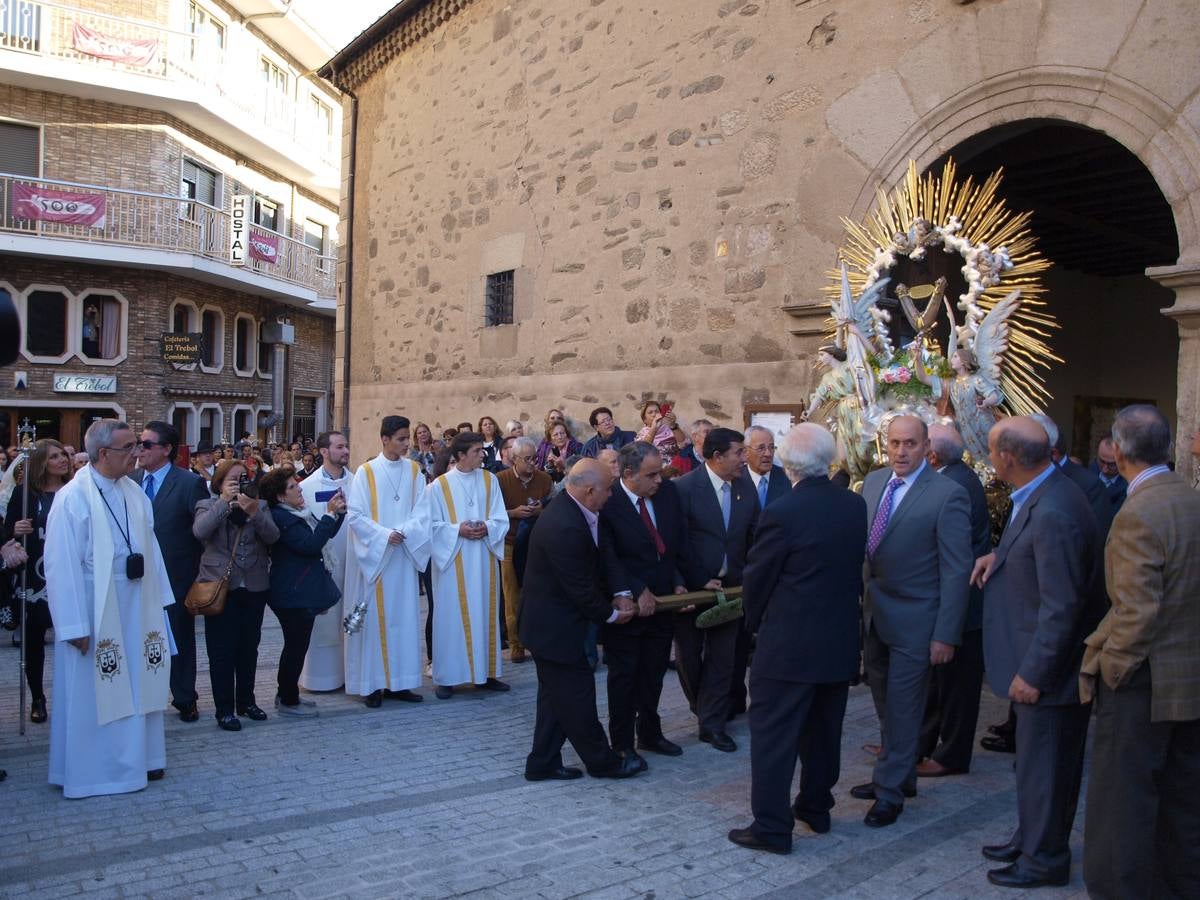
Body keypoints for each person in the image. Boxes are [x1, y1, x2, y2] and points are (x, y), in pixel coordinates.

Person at [972, 416, 1104, 888]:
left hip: (1049, 673)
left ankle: (1044, 859)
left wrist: (1034, 672)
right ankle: (1031, 838)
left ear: (1008, 458)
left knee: (1048, 769)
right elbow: (1034, 558)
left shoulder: (1055, 510)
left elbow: (1062, 605)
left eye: (990, 450)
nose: (989, 458)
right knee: (1035, 767)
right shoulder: (1042, 492)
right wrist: (998, 558)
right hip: (1038, 663)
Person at [728, 424, 868, 853]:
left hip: (788, 644)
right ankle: (815, 807)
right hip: (838, 638)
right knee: (824, 731)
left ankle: (772, 827)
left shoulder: (783, 512)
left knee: (773, 737)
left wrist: (752, 624)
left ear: (788, 463)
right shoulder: (854, 505)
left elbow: (759, 578)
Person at [1080, 405, 1200, 899]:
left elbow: (1136, 611)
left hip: (1144, 683)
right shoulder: (1190, 499)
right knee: (1182, 798)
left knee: (1121, 800)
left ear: (1119, 450)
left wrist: (1112, 669)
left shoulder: (1138, 513)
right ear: (1168, 448)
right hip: (1187, 678)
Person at [44, 419, 176, 798]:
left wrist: (160, 604)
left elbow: (151, 549)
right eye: (129, 447)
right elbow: (60, 565)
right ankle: (96, 772)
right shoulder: (73, 498)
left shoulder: (133, 493)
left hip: (138, 603)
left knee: (140, 681)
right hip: (96, 607)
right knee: (98, 690)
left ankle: (143, 759)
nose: (137, 453)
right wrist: (72, 625)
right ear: (104, 454)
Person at [853, 415, 972, 827]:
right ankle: (898, 774)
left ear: (927, 448)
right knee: (885, 704)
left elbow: (957, 571)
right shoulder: (873, 482)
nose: (901, 452)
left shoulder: (947, 494)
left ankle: (890, 792)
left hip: (918, 622)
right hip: (875, 615)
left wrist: (946, 633)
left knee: (905, 708)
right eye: (894, 443)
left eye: (910, 444)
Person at [520, 459, 643, 781]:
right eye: (608, 490)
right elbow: (580, 588)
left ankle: (542, 762)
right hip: (554, 630)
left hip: (558, 627)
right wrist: (614, 615)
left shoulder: (581, 512)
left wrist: (621, 591)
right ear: (590, 491)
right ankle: (604, 762)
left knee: (555, 698)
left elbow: (605, 558)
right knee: (577, 699)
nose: (611, 496)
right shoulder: (563, 525)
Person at [600, 440, 690, 769]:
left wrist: (679, 580)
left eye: (660, 473)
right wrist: (636, 590)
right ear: (627, 474)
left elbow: (671, 545)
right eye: (651, 475)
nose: (659, 481)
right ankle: (622, 743)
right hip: (629, 607)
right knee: (624, 677)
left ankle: (649, 732)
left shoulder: (666, 495)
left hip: (663, 602)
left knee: (653, 673)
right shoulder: (608, 503)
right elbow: (608, 555)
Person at [673, 427, 759, 753]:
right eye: (739, 452)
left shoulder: (745, 489)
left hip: (732, 590)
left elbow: (754, 538)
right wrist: (687, 580)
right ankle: (703, 707)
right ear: (717, 456)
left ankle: (712, 723)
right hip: (692, 593)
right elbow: (674, 543)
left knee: (723, 659)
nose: (744, 458)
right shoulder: (683, 489)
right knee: (690, 658)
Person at [917, 423, 991, 778]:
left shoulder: (956, 485)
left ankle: (952, 754)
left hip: (962, 600)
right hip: (948, 597)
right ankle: (922, 743)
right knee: (938, 681)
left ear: (931, 454)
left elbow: (956, 554)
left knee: (958, 685)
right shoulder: (954, 476)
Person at [344, 416, 431, 707]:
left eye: (408, 438)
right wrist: (384, 535)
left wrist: (403, 532)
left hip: (403, 556)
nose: (408, 444)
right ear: (385, 439)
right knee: (376, 622)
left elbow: (423, 512)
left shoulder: (415, 471)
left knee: (404, 620)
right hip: (378, 559)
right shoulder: (366, 473)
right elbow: (355, 515)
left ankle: (400, 683)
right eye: (402, 439)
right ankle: (372, 685)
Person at [193, 458, 280, 731]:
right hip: (220, 586)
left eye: (244, 477)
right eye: (233, 479)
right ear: (219, 482)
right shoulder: (207, 505)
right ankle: (224, 709)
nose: (240, 482)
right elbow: (200, 532)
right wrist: (223, 502)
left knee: (248, 648)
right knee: (221, 651)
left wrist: (254, 511)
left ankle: (246, 700)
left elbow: (273, 537)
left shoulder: (261, 505)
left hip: (253, 585)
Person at [131, 421, 209, 724]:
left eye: (147, 444)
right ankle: (143, 695)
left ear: (166, 449)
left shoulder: (188, 483)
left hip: (175, 576)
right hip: (135, 576)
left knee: (178, 638)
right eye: (139, 442)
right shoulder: (131, 479)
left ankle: (185, 697)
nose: (140, 449)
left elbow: (202, 529)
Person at [427, 432, 510, 698]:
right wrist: (456, 530)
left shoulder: (490, 481)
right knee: (451, 618)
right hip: (453, 562)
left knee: (485, 613)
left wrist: (487, 527)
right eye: (476, 451)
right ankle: (448, 678)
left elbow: (501, 517)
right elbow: (431, 527)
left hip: (483, 560)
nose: (482, 454)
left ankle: (485, 675)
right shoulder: (438, 487)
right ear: (460, 455)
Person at [260, 466, 345, 718]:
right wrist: (329, 516)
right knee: (295, 647)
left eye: (296, 484)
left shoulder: (298, 514)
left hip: (297, 590)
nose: (298, 488)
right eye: (291, 486)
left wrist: (337, 514)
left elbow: (323, 535)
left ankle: (288, 695)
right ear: (279, 496)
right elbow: (310, 546)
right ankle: (287, 699)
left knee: (297, 645)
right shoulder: (283, 518)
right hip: (291, 593)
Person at [5, 439, 72, 724]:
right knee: (33, 640)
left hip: (68, 571)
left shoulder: (74, 491)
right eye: (54, 456)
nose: (62, 460)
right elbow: (7, 531)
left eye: (63, 455)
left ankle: (71, 695)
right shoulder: (24, 493)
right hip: (35, 571)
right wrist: (15, 529)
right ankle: (37, 697)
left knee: (71, 635)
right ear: (42, 463)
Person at [299, 430, 353, 692]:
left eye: (346, 447)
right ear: (323, 452)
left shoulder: (357, 484)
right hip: (323, 566)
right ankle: (319, 678)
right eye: (339, 447)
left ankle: (351, 674)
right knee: (323, 624)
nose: (345, 451)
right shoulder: (306, 488)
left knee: (351, 621)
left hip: (353, 564)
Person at [496, 436, 552, 664]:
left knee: (540, 593)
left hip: (538, 544)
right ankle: (516, 644)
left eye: (535, 458)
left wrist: (541, 510)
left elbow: (554, 507)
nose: (533, 463)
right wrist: (513, 513)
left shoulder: (545, 479)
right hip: (509, 544)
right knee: (512, 596)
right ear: (513, 459)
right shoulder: (500, 480)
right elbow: (493, 512)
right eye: (527, 459)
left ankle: (541, 642)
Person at [1089, 435, 1127, 513]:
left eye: (1111, 464)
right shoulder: (1087, 472)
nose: (1105, 469)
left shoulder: (1129, 486)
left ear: (1123, 460)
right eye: (1101, 461)